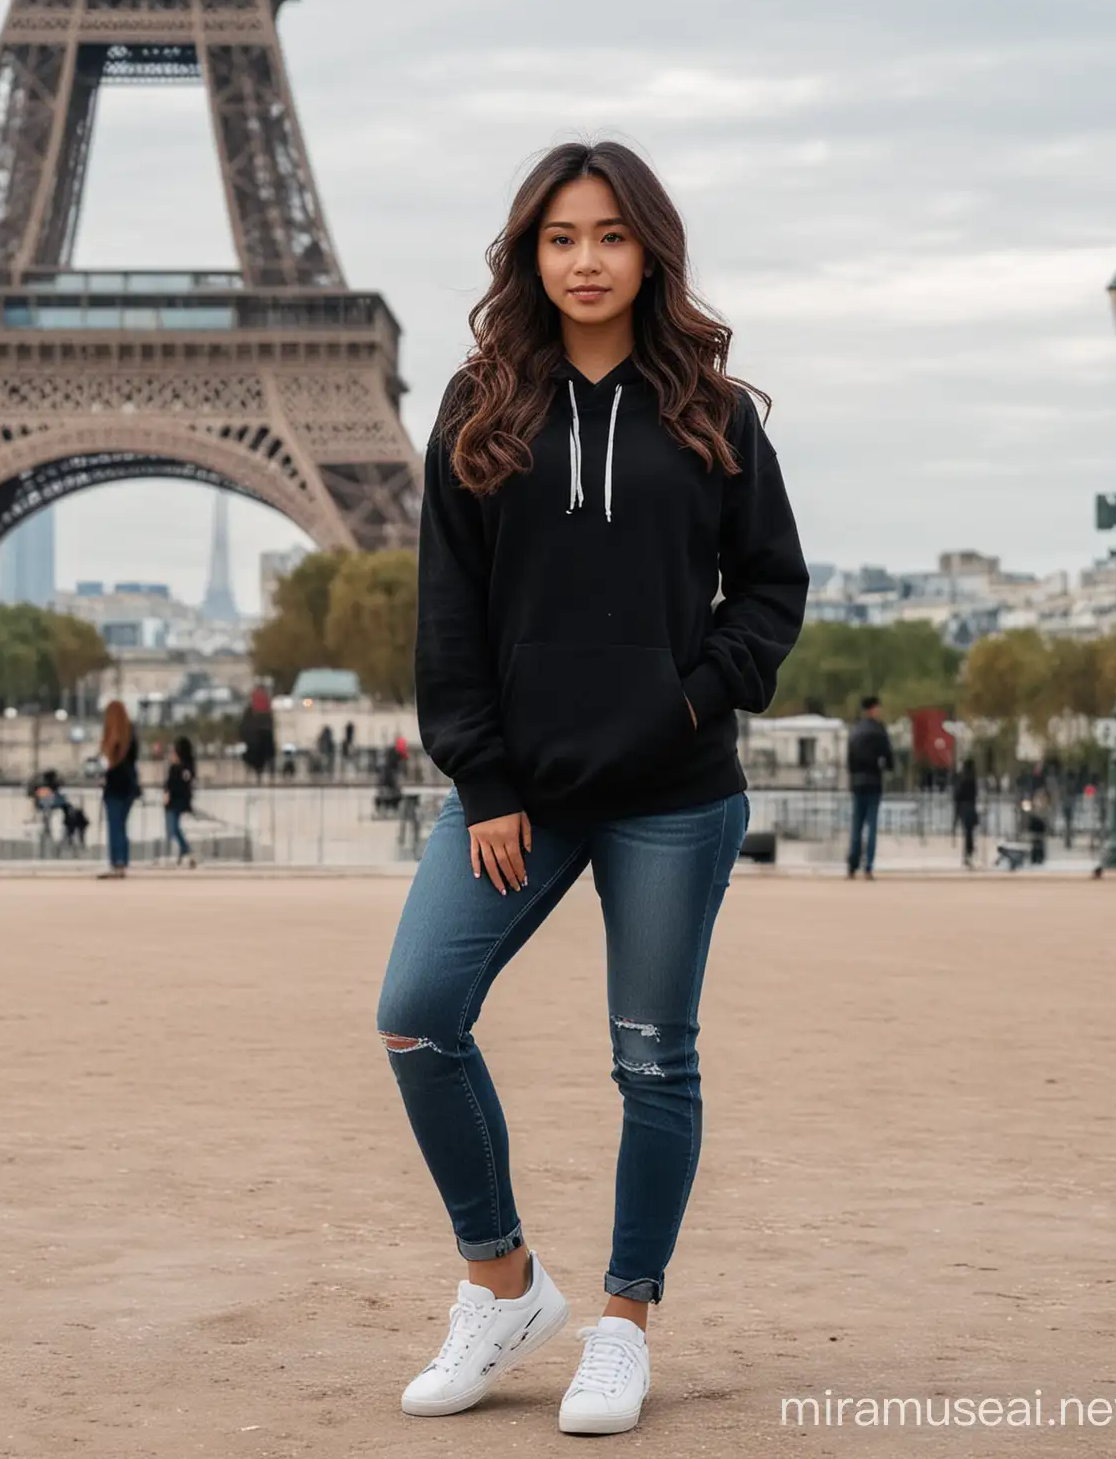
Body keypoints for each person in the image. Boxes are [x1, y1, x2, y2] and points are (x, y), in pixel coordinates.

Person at [375, 141, 807, 1434]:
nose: (585, 260)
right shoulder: (480, 404)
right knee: (416, 1012)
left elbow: (772, 588)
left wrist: (683, 697)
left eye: (610, 235)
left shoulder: (715, 414)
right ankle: (500, 1280)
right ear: (529, 253)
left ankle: (624, 1321)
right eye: (561, 237)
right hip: (523, 793)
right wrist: (488, 775)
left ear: (651, 250)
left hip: (675, 791)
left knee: (653, 1061)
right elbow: (448, 612)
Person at [846, 695, 894, 879]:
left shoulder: (855, 731)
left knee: (856, 825)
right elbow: (889, 759)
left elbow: (849, 760)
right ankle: (868, 866)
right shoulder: (879, 731)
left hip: (857, 782)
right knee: (871, 825)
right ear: (873, 709)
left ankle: (852, 865)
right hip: (874, 781)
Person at [99, 699, 140, 879]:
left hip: (114, 787)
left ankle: (116, 862)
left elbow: (107, 764)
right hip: (129, 786)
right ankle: (122, 862)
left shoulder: (112, 740)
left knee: (114, 826)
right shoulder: (131, 735)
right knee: (122, 827)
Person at [164, 734, 196, 868]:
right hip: (174, 801)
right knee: (172, 829)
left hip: (177, 801)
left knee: (173, 828)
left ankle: (186, 849)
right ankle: (183, 852)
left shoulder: (184, 768)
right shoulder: (174, 767)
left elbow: (180, 783)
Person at [239, 688, 277, 781]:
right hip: (264, 739)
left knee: (256, 759)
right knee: (267, 758)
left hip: (255, 741)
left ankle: (258, 775)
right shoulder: (267, 711)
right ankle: (268, 775)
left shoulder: (251, 711)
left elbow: (245, 726)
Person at [953, 757, 979, 869]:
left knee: (968, 834)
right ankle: (969, 854)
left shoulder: (963, 780)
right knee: (969, 834)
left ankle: (968, 854)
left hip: (965, 808)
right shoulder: (971, 780)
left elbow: (957, 795)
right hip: (969, 808)